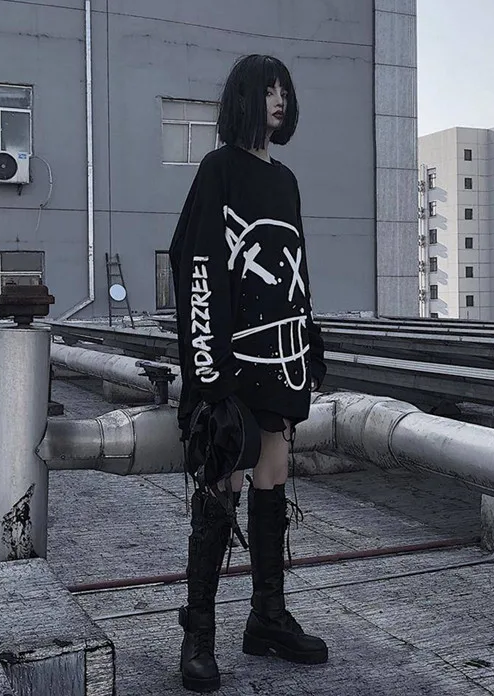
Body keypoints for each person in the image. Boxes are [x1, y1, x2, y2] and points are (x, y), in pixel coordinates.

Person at [169, 54, 328, 692]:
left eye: (283, 89)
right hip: (230, 362)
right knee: (222, 481)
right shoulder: (219, 170)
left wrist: (310, 345)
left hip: (280, 360)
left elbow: (296, 269)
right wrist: (208, 370)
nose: (279, 99)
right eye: (267, 90)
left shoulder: (285, 181)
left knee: (273, 475)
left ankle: (267, 616)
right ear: (244, 98)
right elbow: (197, 265)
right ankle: (199, 635)